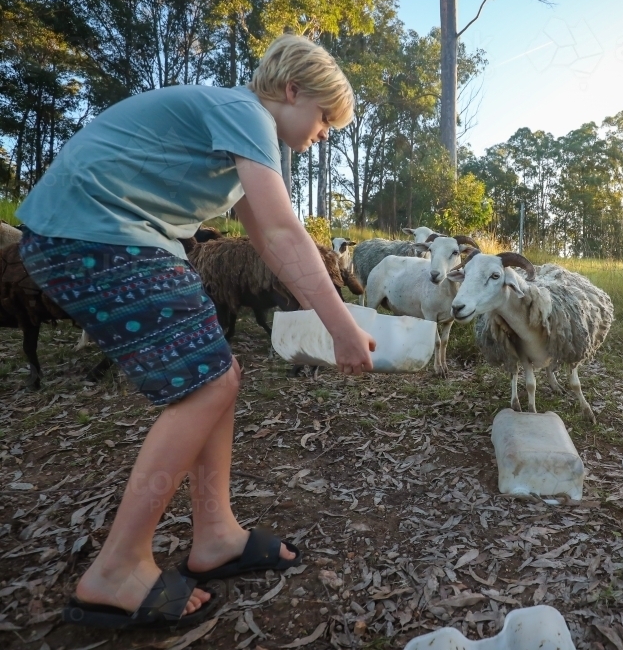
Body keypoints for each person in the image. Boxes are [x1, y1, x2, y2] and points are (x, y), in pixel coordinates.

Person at [16, 34, 375, 629]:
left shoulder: (239, 127)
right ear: (291, 91)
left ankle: (215, 535)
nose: (325, 133)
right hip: (93, 233)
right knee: (209, 386)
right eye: (324, 117)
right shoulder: (245, 112)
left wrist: (326, 313)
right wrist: (342, 325)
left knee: (220, 375)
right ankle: (115, 570)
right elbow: (286, 234)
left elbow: (265, 237)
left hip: (107, 235)